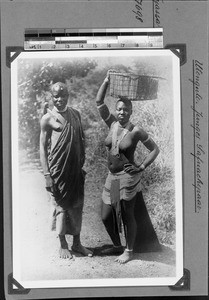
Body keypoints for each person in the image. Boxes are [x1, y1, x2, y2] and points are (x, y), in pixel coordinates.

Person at [96, 71, 160, 264]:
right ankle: (117, 245)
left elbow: (155, 149)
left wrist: (141, 166)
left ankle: (129, 250)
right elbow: (99, 102)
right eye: (119, 109)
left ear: (131, 112)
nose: (122, 112)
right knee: (107, 215)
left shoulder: (136, 130)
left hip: (128, 177)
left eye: (126, 110)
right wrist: (106, 81)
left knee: (126, 214)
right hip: (112, 177)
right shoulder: (112, 124)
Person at [40, 82, 93, 259]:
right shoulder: (48, 119)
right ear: (51, 97)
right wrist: (47, 174)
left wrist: (82, 159)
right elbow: (42, 147)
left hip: (75, 170)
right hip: (58, 170)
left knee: (77, 205)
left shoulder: (75, 114)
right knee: (61, 206)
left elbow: (81, 138)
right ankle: (62, 244)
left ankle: (77, 243)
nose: (59, 99)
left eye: (63, 96)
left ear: (68, 96)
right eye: (56, 96)